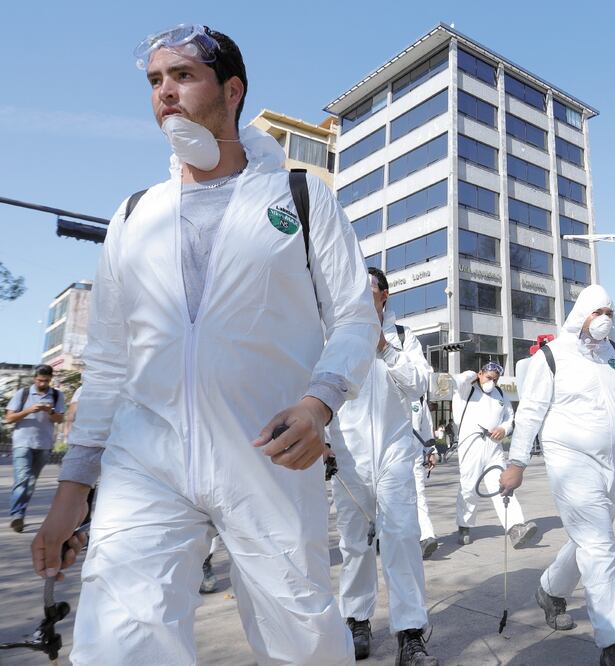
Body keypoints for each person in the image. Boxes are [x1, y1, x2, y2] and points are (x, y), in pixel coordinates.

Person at [31, 24, 379, 665]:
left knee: (300, 641)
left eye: (183, 76)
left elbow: (356, 318)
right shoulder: (135, 213)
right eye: (155, 82)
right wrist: (72, 490)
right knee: (119, 642)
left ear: (233, 89)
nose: (164, 92)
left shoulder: (300, 198)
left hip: (267, 452)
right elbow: (108, 358)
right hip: (145, 458)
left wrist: (318, 403)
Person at [500, 285, 615, 666]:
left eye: (609, 310)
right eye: (597, 311)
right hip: (571, 465)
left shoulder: (612, 355)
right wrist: (516, 464)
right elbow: (530, 414)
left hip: (610, 464)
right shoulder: (552, 356)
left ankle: (550, 589)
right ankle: (614, 642)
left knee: (591, 537)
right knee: (601, 547)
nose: (604, 318)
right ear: (581, 314)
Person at [328, 267, 437, 664]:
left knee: (402, 537)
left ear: (385, 294)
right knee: (354, 544)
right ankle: (356, 620)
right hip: (348, 457)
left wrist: (385, 348)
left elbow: (421, 385)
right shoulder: (334, 334)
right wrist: (325, 445)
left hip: (394, 453)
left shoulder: (405, 339)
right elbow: (316, 387)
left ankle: (410, 633)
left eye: (367, 290)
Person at [451, 362, 537, 548]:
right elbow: (457, 380)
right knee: (468, 487)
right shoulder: (468, 390)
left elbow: (509, 417)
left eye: (495, 379)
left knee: (502, 484)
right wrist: (471, 374)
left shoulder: (500, 395)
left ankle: (515, 527)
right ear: (481, 374)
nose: (492, 382)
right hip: (471, 445)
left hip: (493, 447)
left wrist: (504, 429)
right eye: (489, 378)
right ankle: (464, 525)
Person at [5, 365, 65, 533]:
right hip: (22, 443)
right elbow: (9, 418)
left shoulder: (56, 395)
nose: (42, 383)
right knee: (23, 478)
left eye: (46, 381)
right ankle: (17, 515)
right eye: (39, 380)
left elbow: (59, 419)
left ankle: (20, 513)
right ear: (34, 378)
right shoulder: (22, 394)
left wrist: (49, 410)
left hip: (43, 445)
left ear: (50, 379)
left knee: (30, 483)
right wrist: (29, 410)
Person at [411, 396, 439, 560]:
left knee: (419, 496)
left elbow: (426, 427)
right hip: (387, 458)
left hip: (414, 457)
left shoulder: (419, 398)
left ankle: (426, 537)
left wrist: (431, 451)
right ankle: (380, 536)